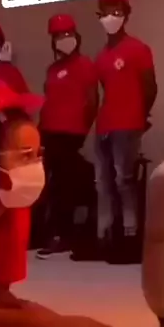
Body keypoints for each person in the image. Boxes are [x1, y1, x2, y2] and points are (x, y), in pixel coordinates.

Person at [0, 75, 123, 327]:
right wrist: (36, 326)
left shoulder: (14, 209)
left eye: (37, 155)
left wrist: (50, 319)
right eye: (24, 156)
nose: (35, 167)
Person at [95, 0, 157, 263]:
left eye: (117, 12)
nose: (111, 17)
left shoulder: (138, 49)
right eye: (106, 12)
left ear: (126, 15)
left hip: (128, 125)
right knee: (103, 182)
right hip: (105, 125)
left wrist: (140, 117)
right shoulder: (102, 56)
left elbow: (150, 87)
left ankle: (131, 236)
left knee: (124, 180)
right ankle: (105, 236)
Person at [36, 14, 99, 260]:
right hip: (48, 131)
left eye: (67, 34)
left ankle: (62, 235)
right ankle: (47, 232)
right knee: (47, 184)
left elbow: (92, 101)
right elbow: (48, 101)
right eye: (58, 36)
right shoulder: (52, 70)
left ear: (76, 36)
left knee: (64, 185)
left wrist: (83, 129)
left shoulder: (85, 65)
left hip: (71, 133)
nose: (64, 39)